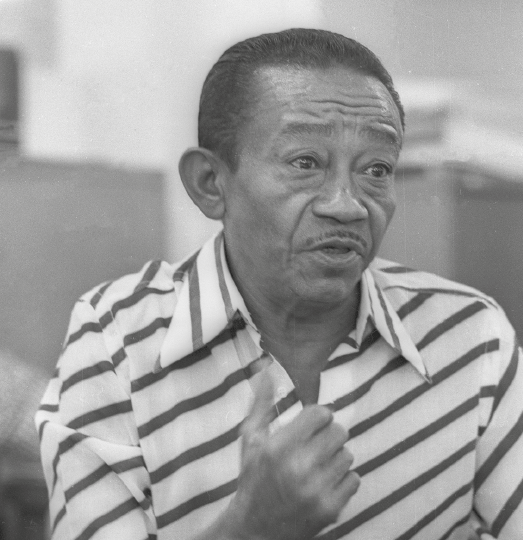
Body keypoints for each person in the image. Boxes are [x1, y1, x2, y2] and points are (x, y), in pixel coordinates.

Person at [36, 28, 523, 540]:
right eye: (305, 163)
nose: (348, 204)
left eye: (376, 169)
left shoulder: (469, 334)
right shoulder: (115, 342)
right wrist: (253, 528)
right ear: (210, 184)